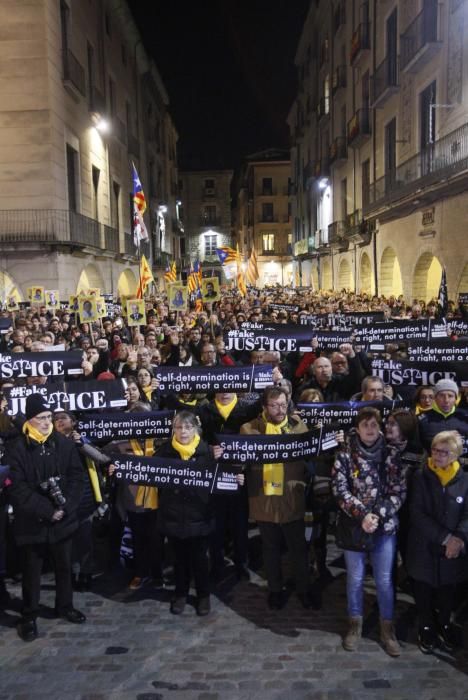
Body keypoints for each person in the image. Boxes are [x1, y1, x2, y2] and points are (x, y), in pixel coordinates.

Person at [5, 394, 86, 642]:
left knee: (64, 566)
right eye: (41, 417)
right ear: (30, 418)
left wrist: (65, 507)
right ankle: (29, 614)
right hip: (32, 523)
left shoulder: (63, 444)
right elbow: (16, 488)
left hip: (63, 520)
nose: (46, 421)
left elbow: (77, 478)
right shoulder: (17, 448)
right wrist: (46, 510)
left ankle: (65, 605)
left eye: (49, 417)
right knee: (32, 571)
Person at [332, 406, 405, 656]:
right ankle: (355, 624)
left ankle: (387, 628)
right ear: (357, 428)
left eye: (374, 425)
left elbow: (398, 491)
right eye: (365, 425)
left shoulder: (391, 454)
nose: (370, 429)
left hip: (384, 527)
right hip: (355, 526)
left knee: (384, 580)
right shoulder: (344, 455)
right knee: (355, 578)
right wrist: (363, 515)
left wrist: (378, 515)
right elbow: (340, 491)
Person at [240, 386, 317, 610]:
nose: (280, 409)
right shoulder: (249, 429)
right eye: (274, 405)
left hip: (291, 495)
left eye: (283, 404)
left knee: (298, 547)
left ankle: (303, 589)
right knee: (270, 548)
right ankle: (275, 589)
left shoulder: (297, 425)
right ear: (264, 407)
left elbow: (310, 453)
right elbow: (241, 458)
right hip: (264, 497)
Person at [406, 431, 468, 654]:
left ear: (456, 455)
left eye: (444, 452)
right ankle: (426, 625)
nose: (438, 455)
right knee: (423, 589)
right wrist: (446, 538)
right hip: (424, 546)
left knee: (447, 590)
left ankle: (444, 623)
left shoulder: (464, 479)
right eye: (435, 450)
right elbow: (417, 513)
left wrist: (459, 538)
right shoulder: (421, 476)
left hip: (452, 551)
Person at [156, 411, 222, 616]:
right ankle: (181, 594)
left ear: (195, 429)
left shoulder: (208, 453)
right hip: (173, 514)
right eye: (178, 427)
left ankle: (203, 595)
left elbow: (224, 477)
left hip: (199, 514)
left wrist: (235, 479)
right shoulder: (163, 453)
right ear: (173, 430)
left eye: (187, 427)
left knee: (201, 559)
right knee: (178, 559)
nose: (183, 431)